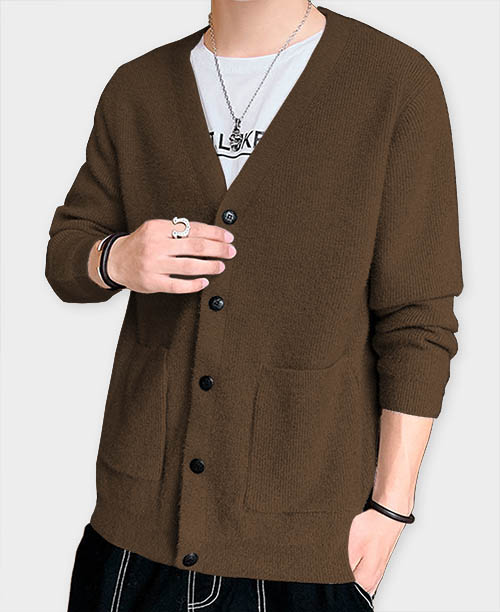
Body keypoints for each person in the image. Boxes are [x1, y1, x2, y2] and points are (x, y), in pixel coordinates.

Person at [45, 1, 463, 610]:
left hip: (305, 543)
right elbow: (67, 252)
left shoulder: (395, 84)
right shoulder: (138, 87)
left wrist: (391, 509)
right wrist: (115, 257)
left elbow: (417, 318)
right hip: (133, 537)